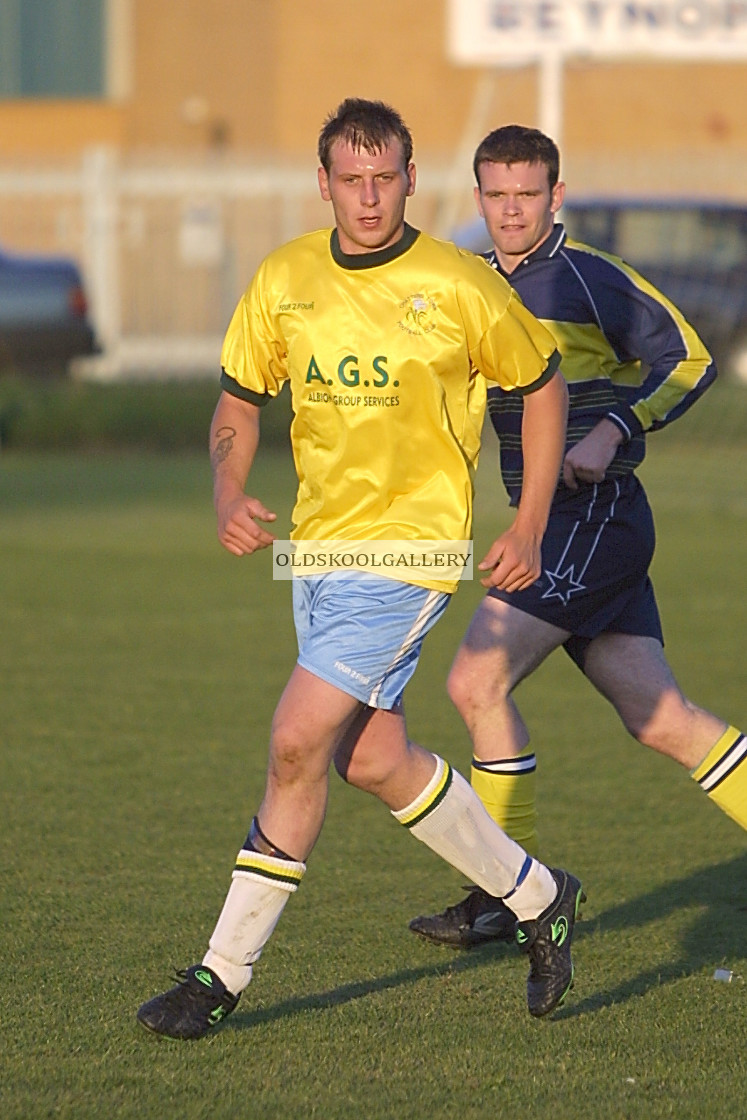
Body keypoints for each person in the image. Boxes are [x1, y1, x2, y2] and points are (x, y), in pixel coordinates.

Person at [136, 99, 581, 1039]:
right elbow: (239, 400)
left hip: (411, 551)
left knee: (297, 741)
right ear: (325, 180)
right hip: (319, 552)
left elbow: (544, 391)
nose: (369, 197)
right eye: (352, 179)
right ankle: (538, 895)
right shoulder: (285, 277)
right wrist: (225, 489)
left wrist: (530, 522)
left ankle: (218, 977)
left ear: (411, 180)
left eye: (386, 179)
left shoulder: (459, 284)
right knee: (372, 757)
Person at [409, 124, 746, 950]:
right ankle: (502, 889)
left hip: (595, 518)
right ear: (479, 196)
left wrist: (614, 431)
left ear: (554, 196)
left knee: (476, 681)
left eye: (528, 194)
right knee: (660, 719)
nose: (512, 210)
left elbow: (690, 359)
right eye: (497, 195)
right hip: (552, 524)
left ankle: (504, 890)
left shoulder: (591, 278)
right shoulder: (468, 284)